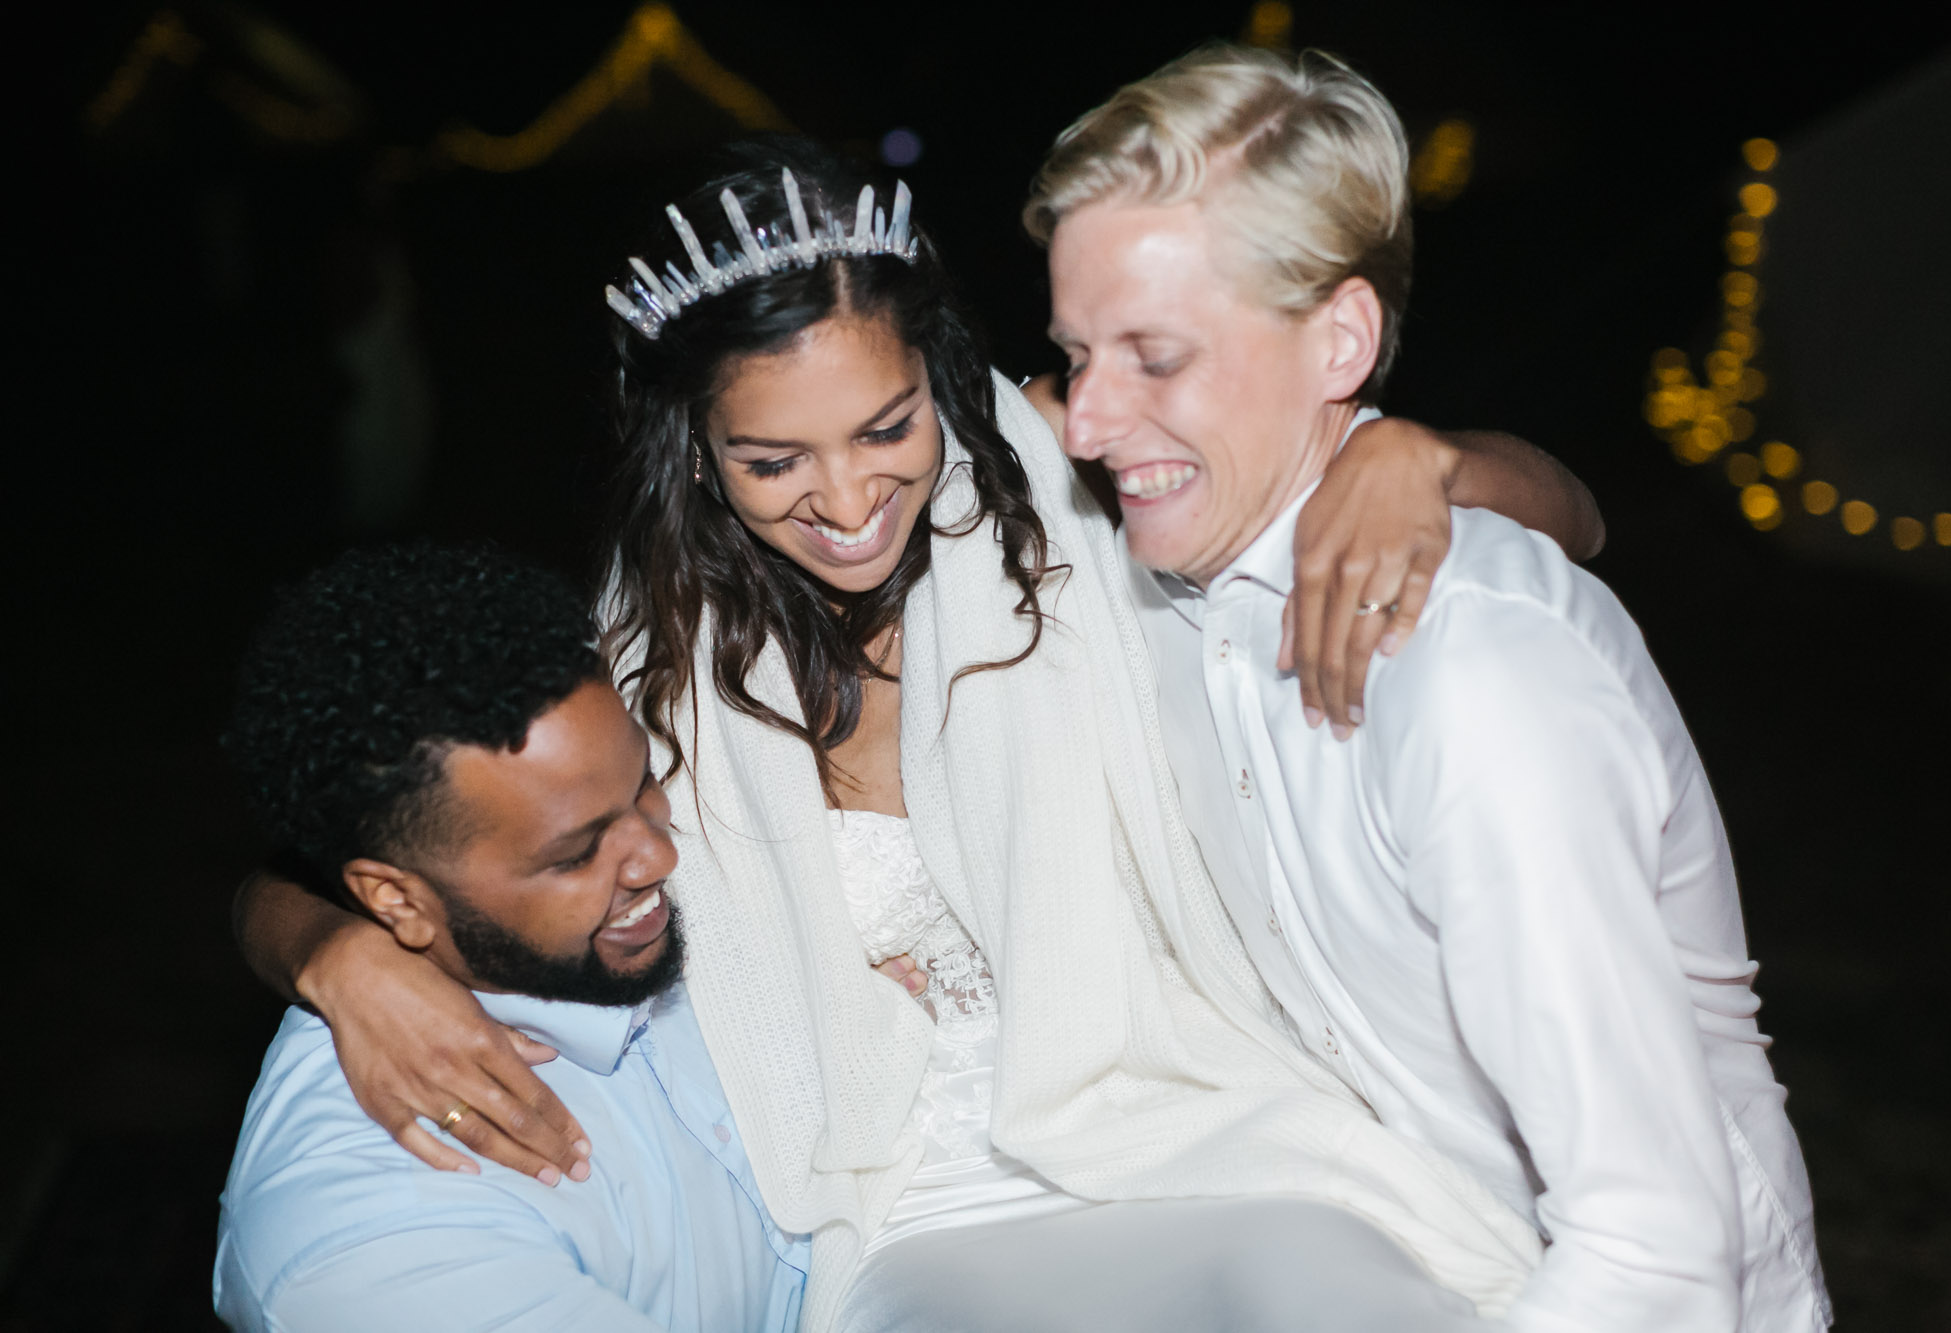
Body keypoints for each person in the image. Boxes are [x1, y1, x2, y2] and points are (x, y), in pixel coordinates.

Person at [234, 138, 1604, 1330]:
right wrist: (330, 954)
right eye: (774, 461)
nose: (845, 499)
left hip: (1199, 1126)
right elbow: (349, 845)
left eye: (885, 428)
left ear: (936, 384)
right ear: (695, 454)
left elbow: (1567, 516)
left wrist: (1394, 458)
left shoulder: (1069, 490)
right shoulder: (641, 676)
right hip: (919, 1214)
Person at [1025, 43, 1831, 1331]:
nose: (1083, 420)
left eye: (1154, 356)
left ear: (1340, 336)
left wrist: (1436, 461)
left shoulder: (1470, 674)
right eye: (1075, 356)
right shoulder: (1158, 554)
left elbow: (1655, 1252)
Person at [215, 543, 808, 1332]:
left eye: (644, 781)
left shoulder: (631, 821)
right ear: (394, 899)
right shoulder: (376, 1243)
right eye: (574, 855)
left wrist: (314, 938)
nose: (662, 853)